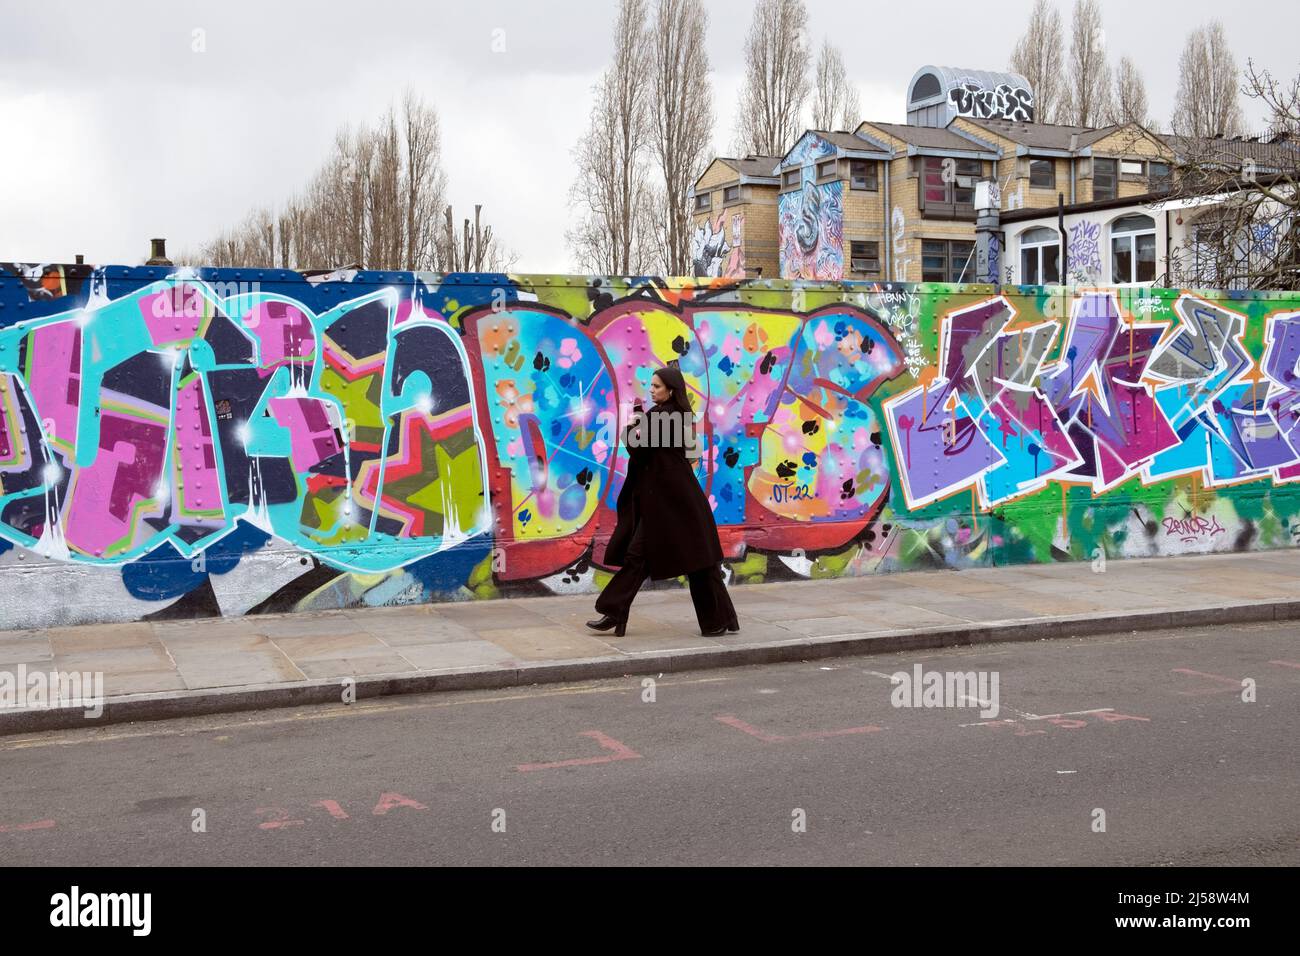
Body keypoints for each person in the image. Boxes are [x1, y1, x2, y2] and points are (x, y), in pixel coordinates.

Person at [587, 366, 739, 638]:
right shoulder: (676, 416)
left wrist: (634, 421)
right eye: (652, 385)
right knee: (694, 561)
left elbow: (636, 447)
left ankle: (616, 612)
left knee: (695, 562)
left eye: (657, 386)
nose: (651, 389)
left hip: (673, 504)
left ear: (670, 390)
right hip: (672, 503)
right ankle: (718, 620)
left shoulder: (662, 416)